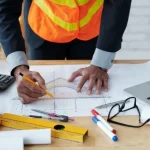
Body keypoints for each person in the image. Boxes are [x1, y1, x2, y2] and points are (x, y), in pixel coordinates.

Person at [0, 0, 132, 104]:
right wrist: (19, 70)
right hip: (44, 28)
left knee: (90, 90)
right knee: (33, 86)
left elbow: (118, 3)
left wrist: (100, 63)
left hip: (91, 30)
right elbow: (5, 9)